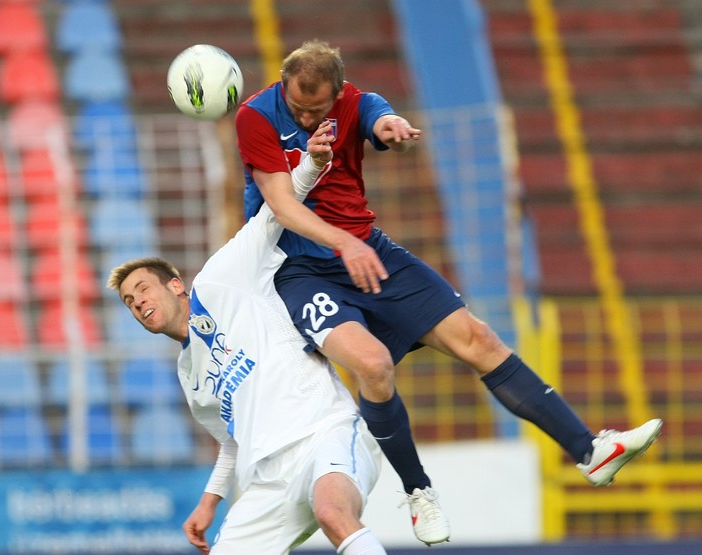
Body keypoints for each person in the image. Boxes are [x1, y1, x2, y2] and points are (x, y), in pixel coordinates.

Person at [235, 39, 663, 546]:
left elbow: (379, 117)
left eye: (317, 110)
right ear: (283, 86)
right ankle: (418, 491)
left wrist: (391, 129)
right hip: (299, 269)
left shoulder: (357, 102)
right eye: (298, 108)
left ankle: (590, 451)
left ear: (339, 94)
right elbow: (282, 206)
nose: (306, 119)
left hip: (368, 249)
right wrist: (343, 243)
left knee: (479, 339)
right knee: (373, 365)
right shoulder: (256, 116)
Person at [108, 123, 387, 555]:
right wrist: (210, 500)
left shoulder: (222, 279)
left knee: (333, 513)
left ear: (176, 285)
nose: (137, 301)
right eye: (129, 301)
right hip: (268, 479)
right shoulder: (189, 373)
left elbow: (271, 216)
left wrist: (312, 164)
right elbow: (231, 439)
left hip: (324, 432)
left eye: (143, 288)